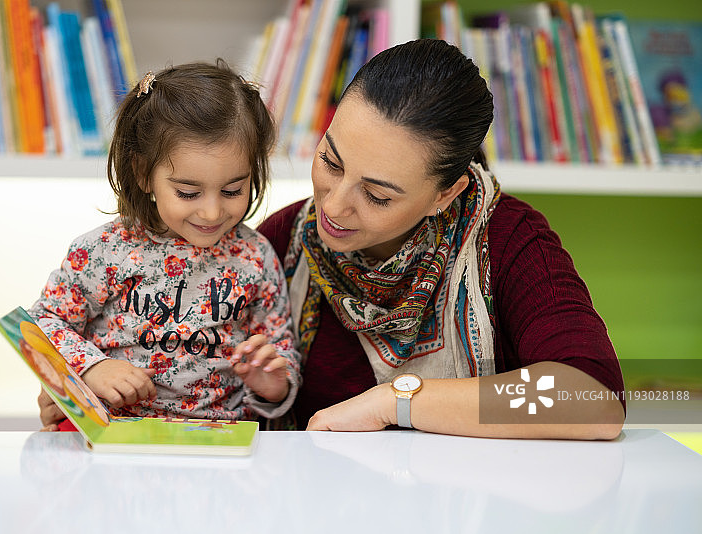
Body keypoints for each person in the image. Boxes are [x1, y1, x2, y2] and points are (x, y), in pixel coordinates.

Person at [41, 40, 625, 440]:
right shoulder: (279, 243)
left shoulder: (508, 242)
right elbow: (223, 396)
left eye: (378, 195)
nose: (334, 205)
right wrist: (81, 387)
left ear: (445, 194)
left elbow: (590, 399)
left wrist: (398, 401)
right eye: (330, 160)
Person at [31, 62, 301, 427]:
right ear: (143, 173)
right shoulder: (104, 251)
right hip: (116, 434)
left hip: (219, 440)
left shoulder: (255, 257)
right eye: (188, 192)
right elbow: (41, 324)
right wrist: (93, 367)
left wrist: (275, 385)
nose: (212, 211)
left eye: (233, 190)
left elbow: (281, 348)